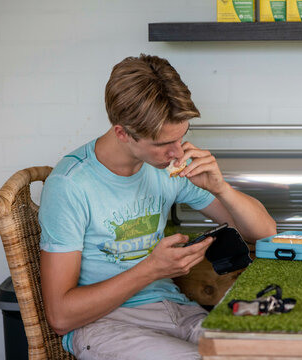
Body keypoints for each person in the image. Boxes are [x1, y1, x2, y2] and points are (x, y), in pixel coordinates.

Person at [38, 54, 276, 360]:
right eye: (164, 144)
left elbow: (265, 232)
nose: (177, 153)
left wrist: (221, 187)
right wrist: (152, 269)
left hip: (177, 311)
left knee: (263, 351)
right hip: (106, 325)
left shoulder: (167, 168)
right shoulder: (70, 186)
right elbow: (60, 317)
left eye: (182, 136)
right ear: (122, 132)